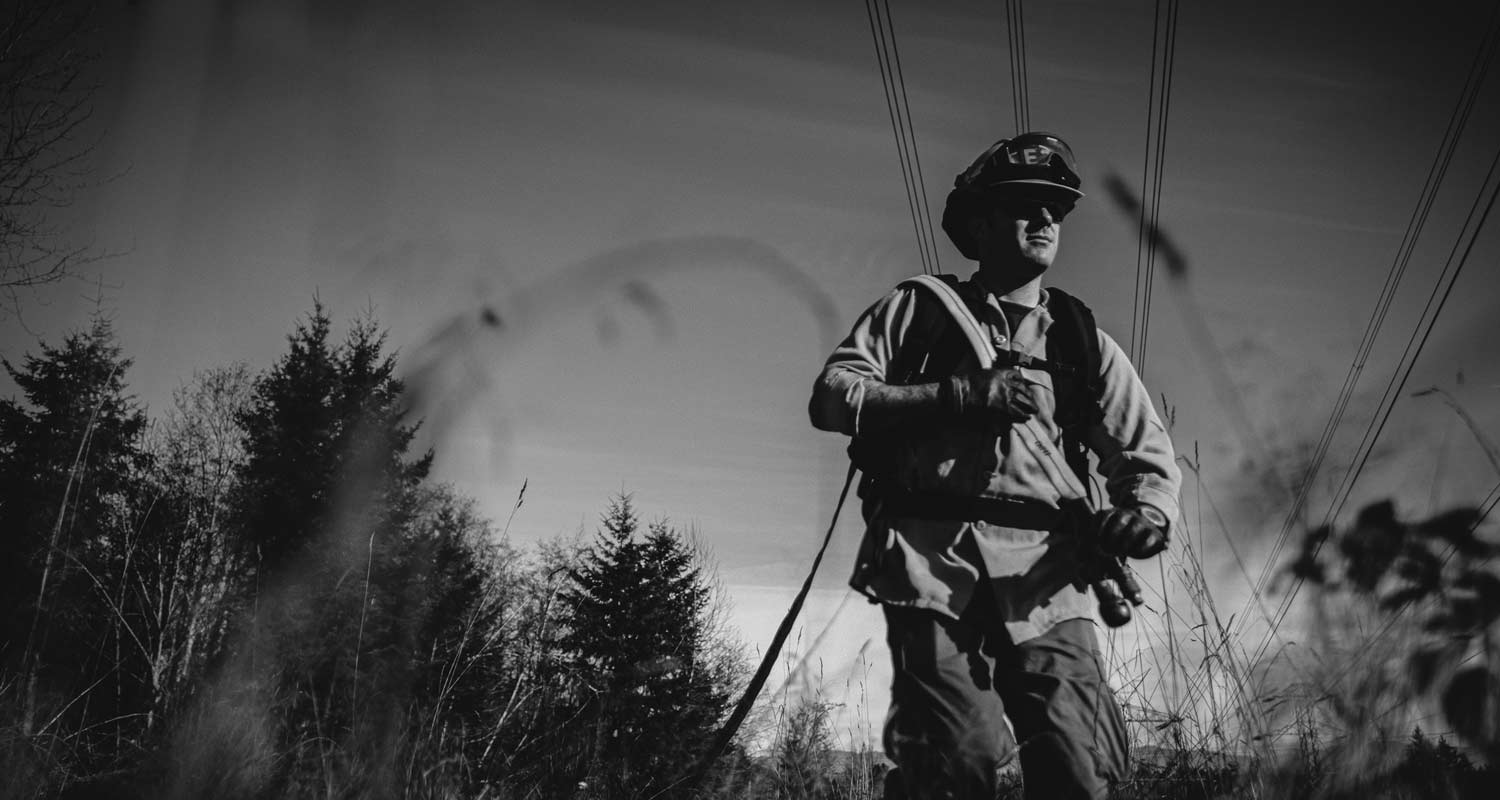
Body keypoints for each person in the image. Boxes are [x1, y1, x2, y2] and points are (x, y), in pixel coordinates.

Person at [808, 132, 1182, 799]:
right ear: (977, 224)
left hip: (1049, 580)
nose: (1043, 219)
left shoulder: (1080, 339)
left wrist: (1144, 517)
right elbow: (834, 397)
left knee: (1080, 768)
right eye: (1022, 205)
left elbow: (1144, 456)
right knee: (956, 760)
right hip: (929, 568)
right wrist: (957, 395)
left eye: (1054, 210)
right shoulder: (916, 311)